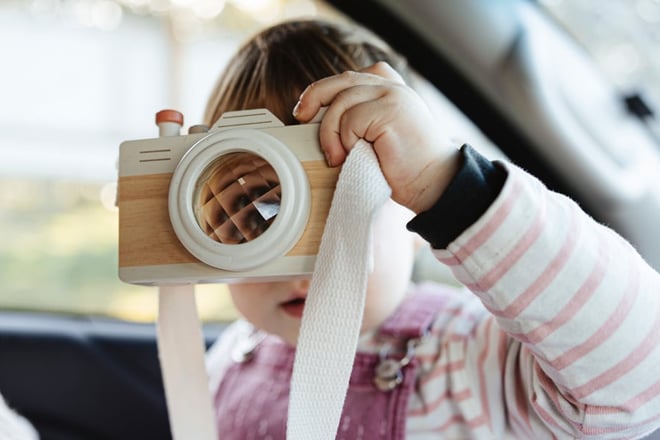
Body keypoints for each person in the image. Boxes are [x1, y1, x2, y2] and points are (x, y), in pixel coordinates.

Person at [204, 19, 660, 439]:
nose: (304, 257)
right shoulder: (228, 359)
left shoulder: (473, 356)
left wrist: (450, 184)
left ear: (415, 210)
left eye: (345, 205)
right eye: (258, 211)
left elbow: (641, 377)